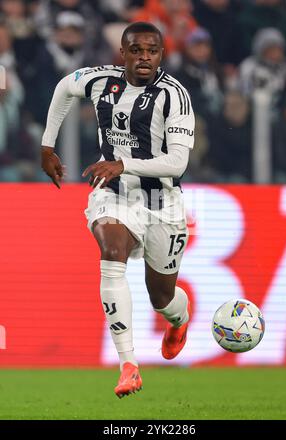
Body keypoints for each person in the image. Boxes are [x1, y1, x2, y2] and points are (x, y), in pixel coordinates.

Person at [41, 21, 194, 398]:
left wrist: (124, 163)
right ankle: (129, 365)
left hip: (162, 203)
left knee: (162, 298)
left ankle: (179, 320)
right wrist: (47, 145)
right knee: (111, 252)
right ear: (122, 53)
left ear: (162, 54)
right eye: (136, 50)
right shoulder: (99, 81)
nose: (144, 58)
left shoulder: (175, 96)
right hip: (113, 193)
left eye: (152, 51)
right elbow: (64, 87)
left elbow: (176, 163)